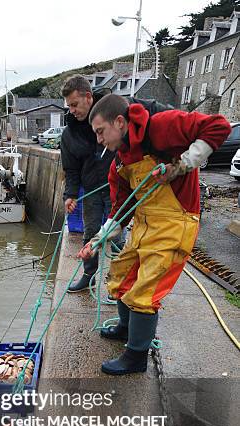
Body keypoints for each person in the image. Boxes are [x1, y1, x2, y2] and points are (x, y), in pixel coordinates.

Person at [78, 93, 231, 375]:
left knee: (146, 289)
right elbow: (120, 211)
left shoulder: (162, 126)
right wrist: (96, 241)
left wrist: (183, 164)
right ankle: (126, 329)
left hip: (176, 221)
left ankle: (136, 357)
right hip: (146, 223)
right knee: (121, 273)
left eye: (101, 132)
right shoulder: (119, 165)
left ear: (120, 122)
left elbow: (218, 126)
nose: (99, 140)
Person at [60, 75, 118, 292]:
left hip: (117, 189)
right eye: (69, 106)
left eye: (75, 104)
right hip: (92, 190)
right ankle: (88, 276)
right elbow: (71, 170)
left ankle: (118, 284)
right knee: (90, 234)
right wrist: (70, 195)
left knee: (119, 237)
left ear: (88, 97)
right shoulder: (69, 135)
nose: (72, 110)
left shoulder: (113, 115)